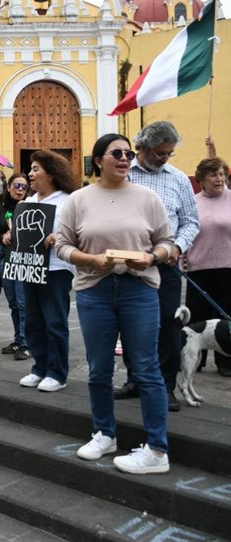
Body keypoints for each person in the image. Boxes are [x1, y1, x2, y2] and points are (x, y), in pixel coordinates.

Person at [56, 133, 173, 474]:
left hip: (139, 289)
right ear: (98, 161)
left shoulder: (148, 198)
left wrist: (151, 258)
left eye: (128, 153)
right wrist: (90, 261)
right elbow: (62, 245)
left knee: (147, 368)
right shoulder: (79, 200)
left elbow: (167, 242)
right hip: (95, 290)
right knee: (99, 368)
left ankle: (156, 449)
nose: (124, 158)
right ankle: (104, 433)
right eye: (116, 153)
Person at [115, 121, 200, 412]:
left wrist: (177, 247)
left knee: (168, 323)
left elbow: (192, 222)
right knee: (129, 322)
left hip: (165, 263)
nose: (164, 158)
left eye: (169, 153)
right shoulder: (123, 174)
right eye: (160, 153)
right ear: (142, 148)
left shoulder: (178, 179)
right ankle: (135, 380)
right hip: (128, 262)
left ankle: (165, 385)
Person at [19, 151, 77, 392]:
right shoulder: (29, 202)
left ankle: (57, 372)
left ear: (51, 174)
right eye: (31, 169)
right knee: (33, 321)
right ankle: (39, 367)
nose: (30, 174)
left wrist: (60, 237)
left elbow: (79, 232)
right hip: (30, 267)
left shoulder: (68, 201)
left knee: (54, 321)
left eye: (35, 169)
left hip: (56, 269)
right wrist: (11, 234)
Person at [183, 157, 231, 376]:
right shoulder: (193, 202)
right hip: (198, 268)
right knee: (197, 317)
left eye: (222, 174)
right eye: (213, 174)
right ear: (201, 179)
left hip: (228, 268)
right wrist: (182, 260)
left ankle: (226, 362)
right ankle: (197, 360)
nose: (219, 178)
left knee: (227, 316)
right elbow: (184, 233)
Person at [0, 174, 31, 360]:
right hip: (7, 260)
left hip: (25, 260)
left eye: (24, 186)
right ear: (8, 187)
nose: (20, 189)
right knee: (14, 304)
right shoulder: (1, 211)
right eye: (16, 185)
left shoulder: (31, 207)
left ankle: (27, 342)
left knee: (24, 304)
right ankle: (18, 339)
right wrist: (3, 237)